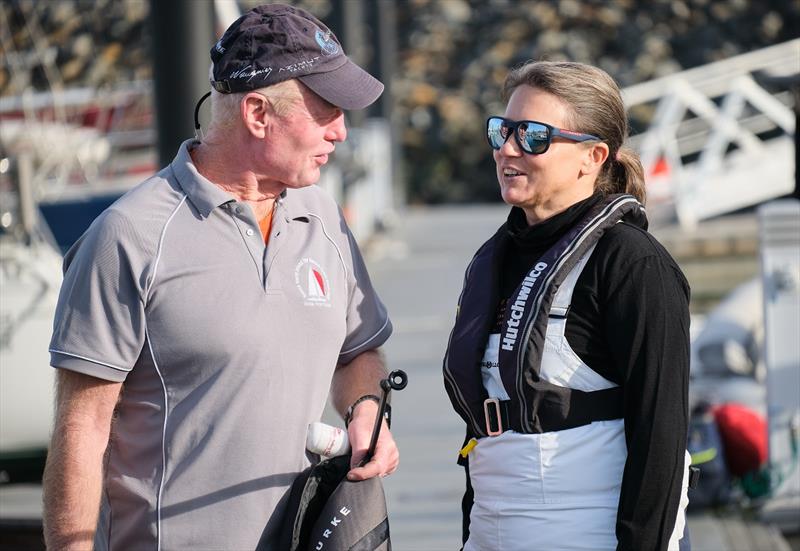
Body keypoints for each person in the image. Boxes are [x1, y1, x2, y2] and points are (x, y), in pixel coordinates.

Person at [42, 5, 396, 550]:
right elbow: (81, 428)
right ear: (258, 113)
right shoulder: (129, 236)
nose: (342, 131)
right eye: (326, 110)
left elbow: (358, 352)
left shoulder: (322, 217)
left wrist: (365, 409)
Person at [443, 60, 692, 551]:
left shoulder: (632, 264)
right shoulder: (495, 261)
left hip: (588, 532)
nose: (508, 149)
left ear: (592, 156)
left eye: (534, 136)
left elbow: (661, 435)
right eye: (503, 131)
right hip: (494, 529)